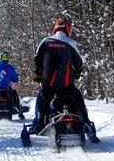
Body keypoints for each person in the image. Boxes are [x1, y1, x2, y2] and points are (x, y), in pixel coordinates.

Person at [32, 15, 100, 143]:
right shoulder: (71, 43)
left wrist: (39, 73)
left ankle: (40, 123)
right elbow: (79, 64)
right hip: (66, 84)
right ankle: (86, 122)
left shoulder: (45, 41)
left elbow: (37, 61)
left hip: (48, 84)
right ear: (67, 28)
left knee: (42, 99)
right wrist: (77, 72)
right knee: (78, 100)